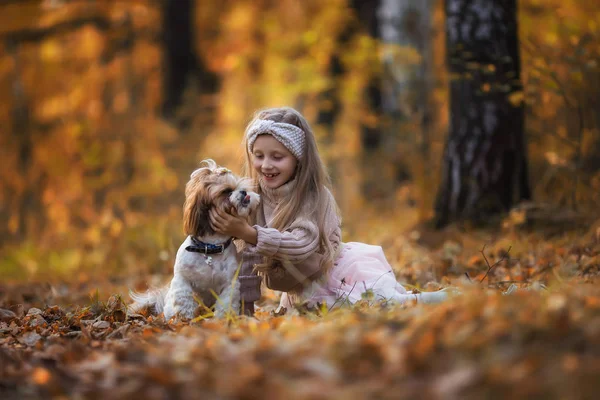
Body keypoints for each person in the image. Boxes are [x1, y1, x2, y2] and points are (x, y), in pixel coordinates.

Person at [209, 107, 448, 316]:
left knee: (374, 304)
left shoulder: (314, 196)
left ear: (298, 159)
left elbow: (301, 244)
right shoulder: (252, 198)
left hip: (334, 272)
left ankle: (429, 299)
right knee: (320, 313)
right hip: (301, 288)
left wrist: (250, 234)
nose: (266, 165)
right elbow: (244, 258)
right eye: (259, 156)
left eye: (277, 157)